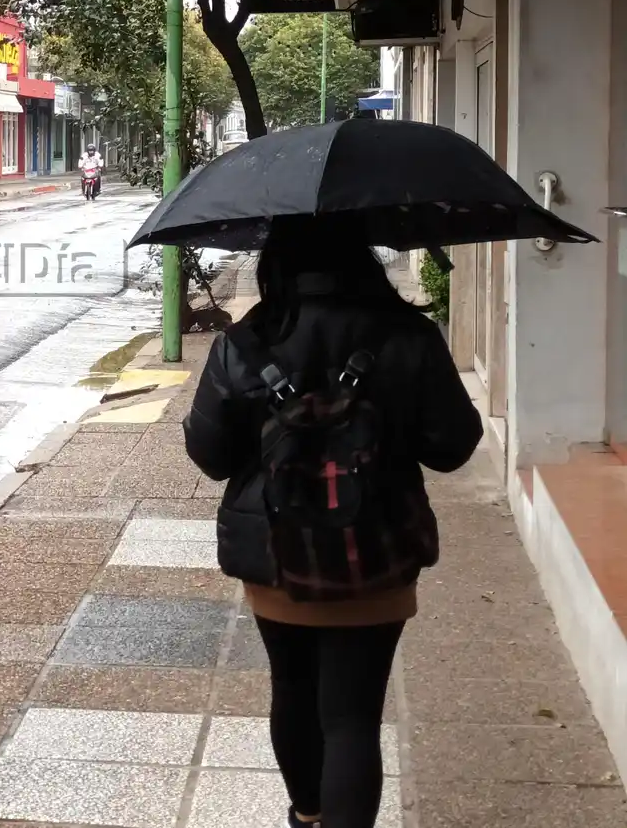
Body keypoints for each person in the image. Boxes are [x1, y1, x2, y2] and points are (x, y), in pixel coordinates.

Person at [183, 218, 481, 828]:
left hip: (273, 550)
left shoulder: (243, 343)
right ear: (362, 254)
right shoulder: (408, 335)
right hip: (378, 550)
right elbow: (452, 446)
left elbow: (209, 457)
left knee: (291, 690)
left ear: (276, 261)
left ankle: (307, 817)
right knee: (352, 718)